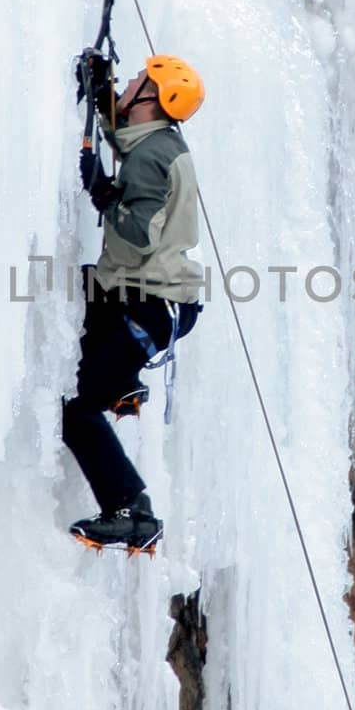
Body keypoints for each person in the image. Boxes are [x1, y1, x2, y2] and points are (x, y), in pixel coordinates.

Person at [64, 54, 205, 550]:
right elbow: (128, 140)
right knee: (80, 289)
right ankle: (122, 385)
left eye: (137, 82)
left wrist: (101, 192)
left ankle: (131, 508)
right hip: (148, 296)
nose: (129, 82)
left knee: (75, 410)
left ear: (151, 99)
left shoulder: (151, 158)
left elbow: (137, 236)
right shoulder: (159, 143)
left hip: (149, 301)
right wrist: (102, 98)